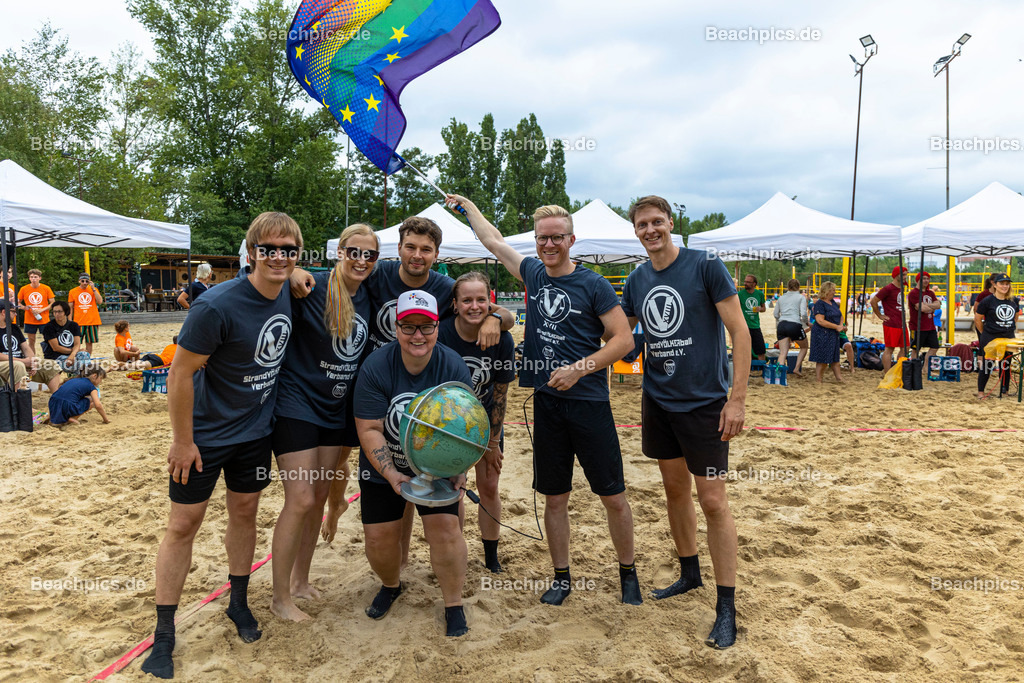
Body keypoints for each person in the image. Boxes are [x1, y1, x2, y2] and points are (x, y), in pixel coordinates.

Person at [447, 193, 641, 607]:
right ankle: (561, 576)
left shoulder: (593, 283)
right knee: (554, 496)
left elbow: (623, 341)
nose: (548, 245)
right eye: (541, 239)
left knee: (612, 494)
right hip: (546, 403)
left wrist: (581, 368)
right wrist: (468, 209)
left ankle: (628, 573)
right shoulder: (534, 273)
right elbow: (494, 242)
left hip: (589, 402)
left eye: (556, 238)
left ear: (572, 240)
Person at [141, 212, 301, 680]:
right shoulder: (216, 305)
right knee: (183, 524)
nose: (278, 257)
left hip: (255, 434)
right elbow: (179, 372)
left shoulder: (290, 290)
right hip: (205, 437)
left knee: (245, 514)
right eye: (268, 249)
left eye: (288, 250)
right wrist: (182, 440)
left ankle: (237, 602)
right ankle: (164, 632)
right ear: (250, 252)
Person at [291, 217, 514, 544]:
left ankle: (388, 533)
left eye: (426, 249)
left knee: (405, 461)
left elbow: (486, 308)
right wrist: (296, 270)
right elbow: (340, 272)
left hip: (408, 386)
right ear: (398, 250)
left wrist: (496, 317)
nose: (417, 255)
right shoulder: (377, 271)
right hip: (362, 378)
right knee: (339, 456)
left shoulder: (441, 287)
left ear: (436, 254)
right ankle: (336, 502)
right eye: (410, 247)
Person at [620, 195, 748, 650]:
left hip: (706, 404)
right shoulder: (636, 279)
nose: (650, 230)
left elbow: (740, 332)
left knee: (713, 500)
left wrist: (736, 401)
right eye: (642, 224)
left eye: (657, 222)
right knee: (674, 490)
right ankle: (689, 573)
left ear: (671, 223)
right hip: (659, 402)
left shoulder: (705, 265)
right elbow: (620, 335)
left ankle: (726, 606)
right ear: (635, 230)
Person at [269, 224, 378, 623]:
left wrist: (497, 314)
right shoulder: (310, 286)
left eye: (370, 255)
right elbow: (264, 279)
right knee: (298, 499)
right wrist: (293, 270)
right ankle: (280, 598)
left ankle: (299, 582)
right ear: (339, 252)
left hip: (337, 408)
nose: (361, 261)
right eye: (354, 252)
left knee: (315, 499)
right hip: (297, 404)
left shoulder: (370, 292)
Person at [353, 289, 474, 637]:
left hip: (436, 464)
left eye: (426, 326)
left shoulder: (451, 365)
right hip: (385, 464)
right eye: (409, 326)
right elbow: (371, 428)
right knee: (378, 543)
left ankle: (453, 604)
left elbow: (469, 426)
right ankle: (391, 585)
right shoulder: (376, 366)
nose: (417, 335)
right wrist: (391, 473)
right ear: (396, 327)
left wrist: (460, 469)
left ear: (437, 327)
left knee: (447, 531)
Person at [438, 272, 515, 573]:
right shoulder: (441, 333)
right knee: (453, 488)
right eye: (467, 300)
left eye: (481, 299)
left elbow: (499, 394)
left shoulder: (502, 339)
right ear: (455, 304)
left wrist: (492, 444)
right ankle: (456, 549)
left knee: (490, 485)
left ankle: (491, 555)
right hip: (448, 424)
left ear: (490, 302)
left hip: (485, 422)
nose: (474, 305)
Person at [974, 273, 1020, 399]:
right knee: (988, 365)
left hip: (1008, 337)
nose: (1005, 286)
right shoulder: (987, 301)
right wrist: (985, 333)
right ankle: (981, 392)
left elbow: (1016, 316)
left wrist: (1007, 327)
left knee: (1006, 365)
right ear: (994, 284)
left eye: (1007, 284)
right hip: (990, 337)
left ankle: (1004, 391)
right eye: (1002, 283)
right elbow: (977, 319)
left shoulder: (1013, 300)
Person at [0, 300, 63, 391]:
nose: (16, 314)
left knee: (52, 365)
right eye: (13, 311)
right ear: (3, 312)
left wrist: (32, 361)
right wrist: (23, 361)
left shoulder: (13, 328)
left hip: (20, 362)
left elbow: (25, 347)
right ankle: (23, 403)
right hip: (7, 364)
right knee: (18, 366)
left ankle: (58, 399)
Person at [869, 267, 909, 372]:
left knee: (905, 348)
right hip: (891, 323)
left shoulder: (901, 287)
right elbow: (873, 301)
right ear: (897, 275)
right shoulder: (888, 288)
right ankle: (887, 373)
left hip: (901, 323)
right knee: (889, 349)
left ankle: (898, 371)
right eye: (903, 274)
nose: (905, 277)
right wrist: (880, 315)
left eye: (906, 274)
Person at [45, 366, 109, 426]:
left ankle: (51, 417)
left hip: (52, 402)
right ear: (94, 376)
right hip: (67, 405)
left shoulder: (74, 380)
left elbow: (62, 394)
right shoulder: (91, 387)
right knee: (92, 401)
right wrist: (106, 419)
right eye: (100, 378)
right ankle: (73, 418)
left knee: (66, 398)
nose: (101, 381)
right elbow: (98, 405)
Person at [810, 282, 846, 384]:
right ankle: (818, 379)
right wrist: (837, 327)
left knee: (835, 358)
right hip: (822, 333)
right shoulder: (819, 304)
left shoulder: (833, 302)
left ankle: (839, 378)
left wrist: (841, 325)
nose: (834, 292)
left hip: (833, 333)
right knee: (822, 358)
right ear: (827, 291)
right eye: (833, 290)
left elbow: (840, 315)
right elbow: (820, 321)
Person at [42, 301, 91, 375]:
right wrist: (74, 352)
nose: (57, 314)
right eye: (54, 312)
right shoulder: (49, 327)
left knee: (85, 355)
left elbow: (77, 344)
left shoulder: (73, 325)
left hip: (70, 353)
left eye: (59, 311)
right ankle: (83, 379)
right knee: (79, 366)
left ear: (66, 312)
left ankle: (84, 378)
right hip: (56, 356)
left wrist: (72, 355)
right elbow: (56, 348)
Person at [774, 278, 809, 376]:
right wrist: (806, 323)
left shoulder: (781, 298)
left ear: (787, 287)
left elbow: (775, 314)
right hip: (794, 324)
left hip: (782, 324)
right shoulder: (801, 297)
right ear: (798, 287)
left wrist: (780, 319)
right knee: (804, 347)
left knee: (783, 352)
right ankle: (796, 368)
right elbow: (803, 313)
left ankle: (779, 374)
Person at [17, 268, 55, 355]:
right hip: (30, 319)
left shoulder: (46, 288)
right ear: (29, 278)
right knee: (31, 341)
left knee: (48, 339)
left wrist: (42, 309)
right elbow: (17, 302)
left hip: (44, 319)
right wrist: (24, 307)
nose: (33, 279)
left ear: (40, 278)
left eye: (35, 277)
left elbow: (53, 303)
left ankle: (49, 356)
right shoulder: (24, 289)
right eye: (31, 277)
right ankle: (32, 360)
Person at [908, 272, 941, 364]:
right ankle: (914, 368)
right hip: (917, 326)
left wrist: (927, 306)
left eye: (927, 278)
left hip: (930, 326)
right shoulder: (914, 293)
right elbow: (922, 308)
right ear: (918, 280)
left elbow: (938, 305)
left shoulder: (930, 292)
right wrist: (931, 307)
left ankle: (925, 368)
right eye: (924, 279)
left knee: (935, 347)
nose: (926, 281)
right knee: (915, 349)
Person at [68, 272, 103, 355]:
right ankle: (76, 358)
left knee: (89, 342)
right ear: (79, 281)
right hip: (78, 321)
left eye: (86, 281)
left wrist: (93, 288)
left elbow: (100, 301)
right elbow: (70, 308)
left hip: (92, 321)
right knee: (76, 343)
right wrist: (69, 321)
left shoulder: (94, 290)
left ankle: (87, 360)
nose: (84, 283)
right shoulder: (73, 291)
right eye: (82, 281)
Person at [740, 275, 766, 361]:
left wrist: (760, 309)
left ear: (754, 284)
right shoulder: (740, 294)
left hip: (755, 326)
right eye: (745, 281)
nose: (745, 284)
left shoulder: (759, 294)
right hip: (744, 326)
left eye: (748, 282)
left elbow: (764, 308)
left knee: (761, 349)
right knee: (744, 350)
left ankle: (762, 369)